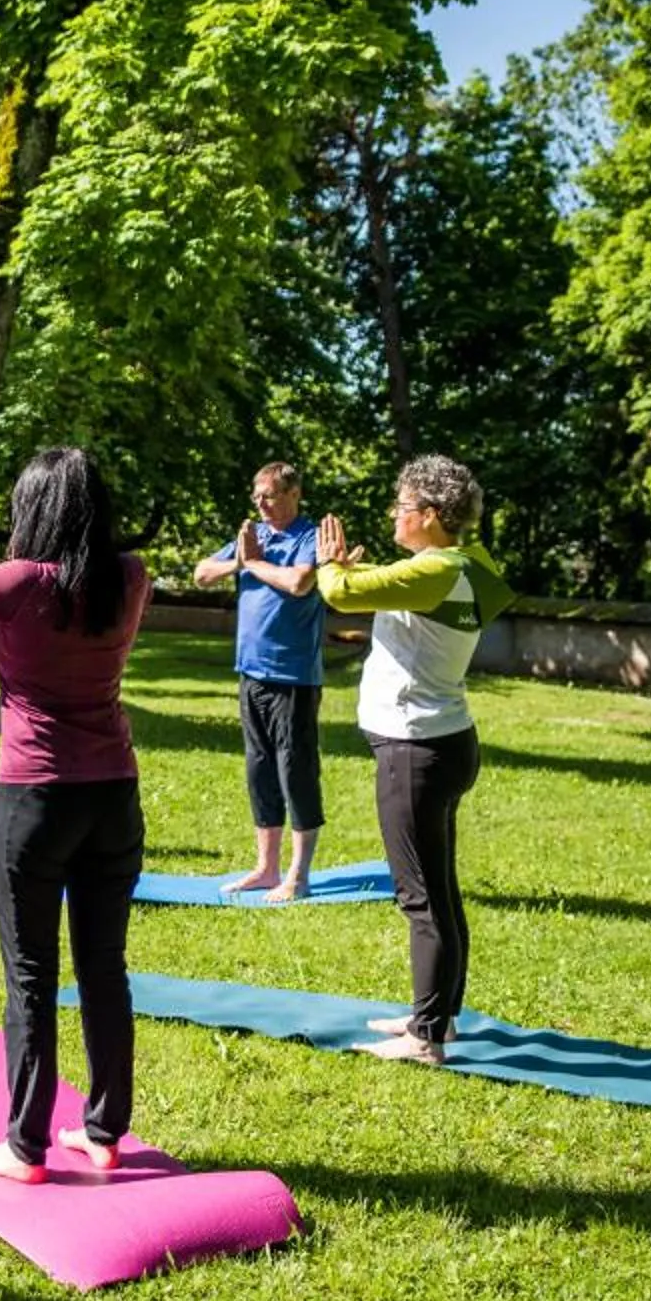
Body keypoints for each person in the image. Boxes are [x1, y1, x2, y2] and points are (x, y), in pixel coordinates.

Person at [0, 447, 152, 1184]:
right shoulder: (130, 575)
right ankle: (105, 1131)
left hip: (36, 797)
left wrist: (9, 568)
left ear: (33, 511)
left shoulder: (17, 583)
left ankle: (24, 1148)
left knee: (31, 975)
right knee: (104, 967)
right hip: (113, 794)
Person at [315, 454, 515, 1064]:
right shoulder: (464, 566)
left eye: (401, 508)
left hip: (414, 748)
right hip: (446, 741)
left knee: (421, 897)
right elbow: (401, 580)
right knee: (441, 892)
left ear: (429, 516)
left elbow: (339, 593)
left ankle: (426, 1038)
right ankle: (441, 1017)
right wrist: (361, 568)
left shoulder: (433, 572)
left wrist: (331, 562)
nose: (393, 516)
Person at [192, 462, 326, 900]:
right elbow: (200, 573)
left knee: (296, 770)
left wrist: (254, 562)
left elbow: (300, 582)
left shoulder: (309, 537)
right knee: (260, 768)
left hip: (294, 677)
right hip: (251, 672)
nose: (260, 503)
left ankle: (298, 875)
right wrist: (240, 559)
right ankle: (267, 868)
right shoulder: (255, 539)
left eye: (268, 494)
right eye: (257, 495)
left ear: (293, 494)